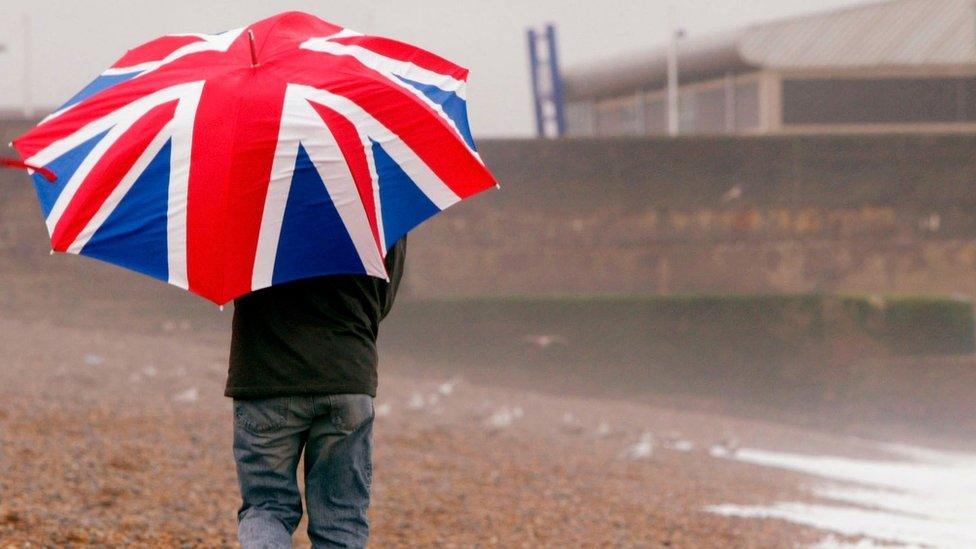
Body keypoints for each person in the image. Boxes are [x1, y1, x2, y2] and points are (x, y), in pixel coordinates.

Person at [225, 237, 407, 548]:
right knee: (341, 520)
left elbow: (226, 278)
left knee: (267, 508)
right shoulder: (375, 198)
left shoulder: (248, 201)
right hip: (345, 373)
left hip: (265, 374)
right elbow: (383, 298)